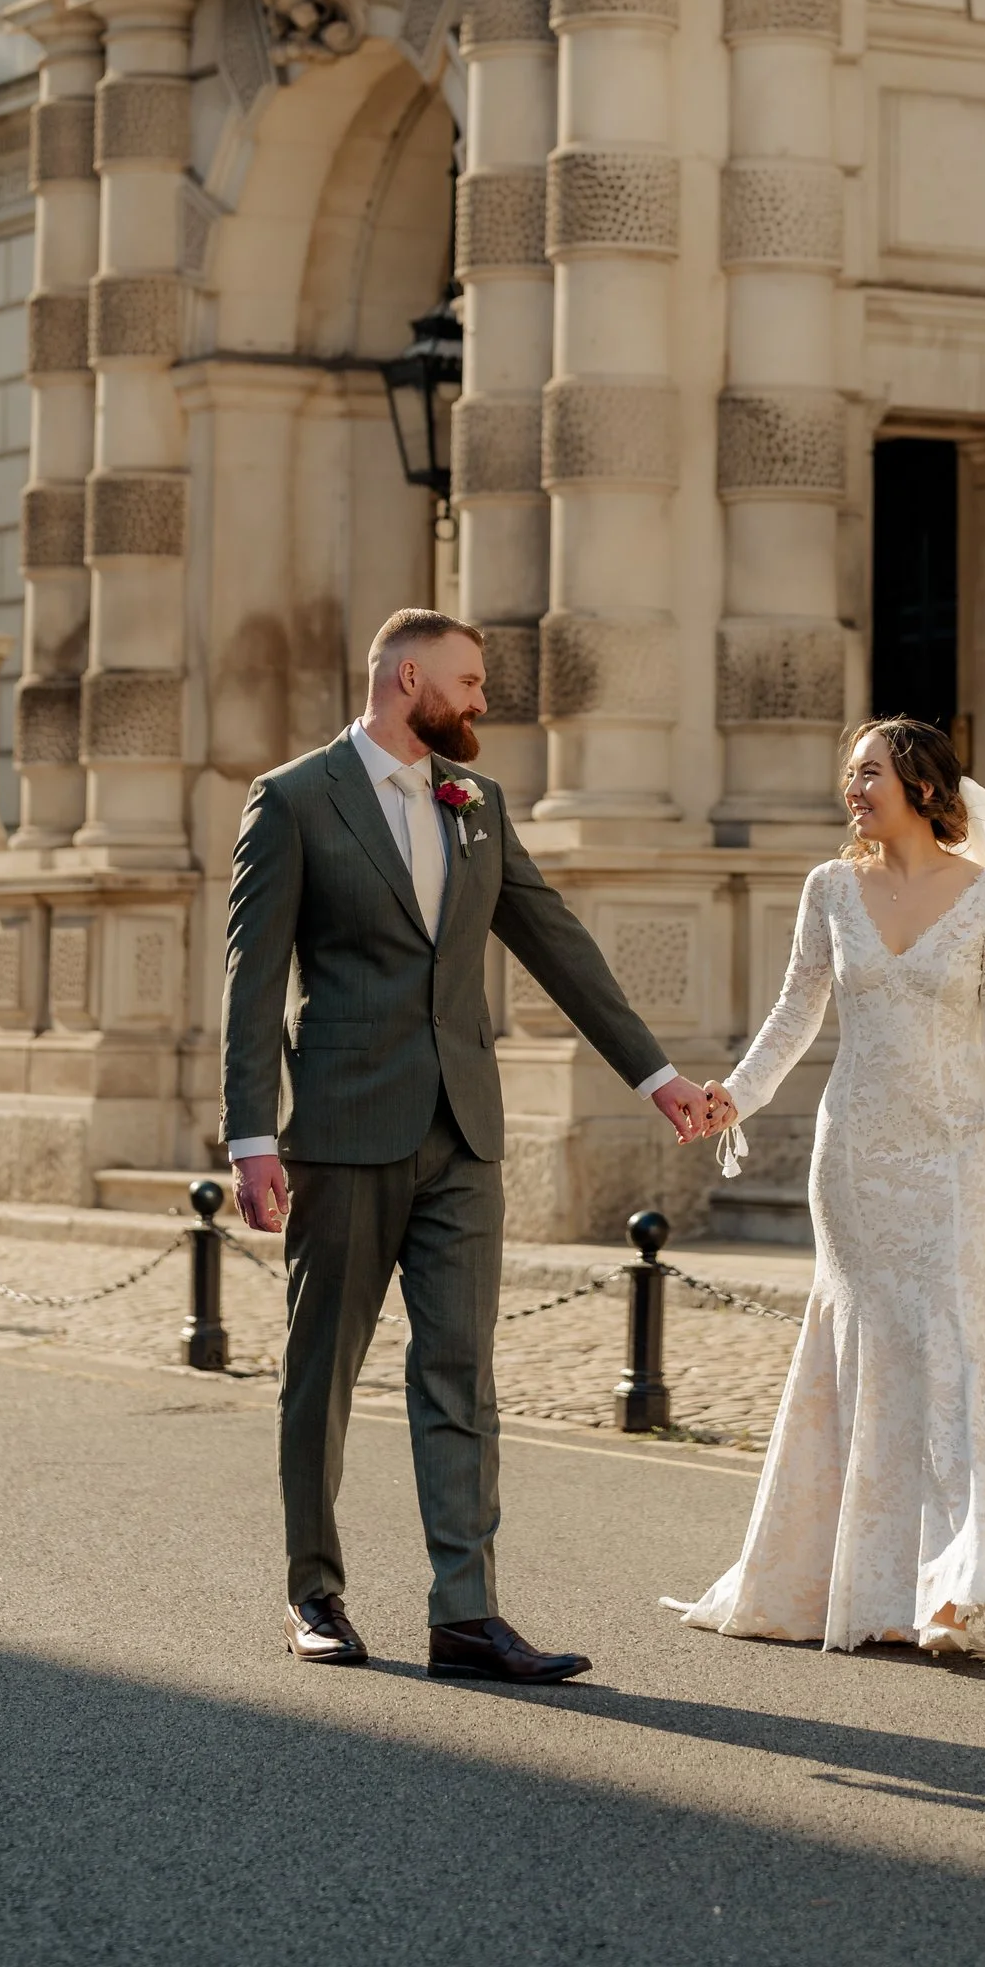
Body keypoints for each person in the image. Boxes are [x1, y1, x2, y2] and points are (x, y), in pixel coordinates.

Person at [222, 608, 711, 1683]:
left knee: (460, 1374)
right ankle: (313, 1591)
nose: (483, 700)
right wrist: (252, 1134)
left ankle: (465, 1612)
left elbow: (554, 941)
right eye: (470, 680)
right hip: (345, 1131)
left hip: (464, 1133)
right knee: (324, 1372)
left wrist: (657, 1076)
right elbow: (252, 982)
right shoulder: (295, 799)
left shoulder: (476, 803)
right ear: (408, 678)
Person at [681, 715, 985, 1660]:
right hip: (853, 1154)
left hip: (953, 1159)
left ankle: (961, 1583)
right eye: (850, 773)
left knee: (955, 1344)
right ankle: (845, 1580)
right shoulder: (828, 889)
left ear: (924, 788)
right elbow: (792, 1015)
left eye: (872, 774)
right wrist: (735, 1095)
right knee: (861, 1344)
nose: (854, 789)